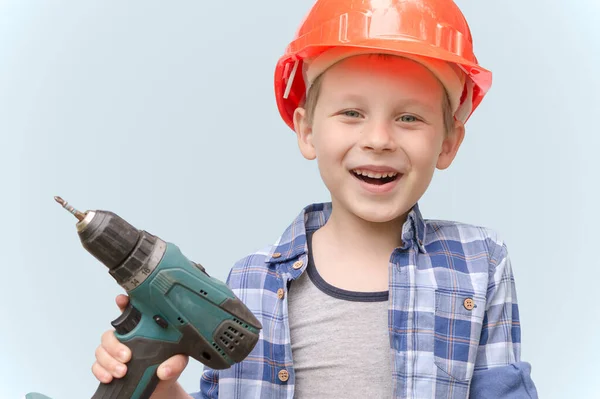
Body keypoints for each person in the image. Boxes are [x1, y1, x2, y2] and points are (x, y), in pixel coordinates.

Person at [91, 0, 538, 397]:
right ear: (307, 131)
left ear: (447, 143)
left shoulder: (479, 264)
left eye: (408, 116)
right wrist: (160, 389)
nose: (378, 139)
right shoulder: (250, 284)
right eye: (351, 113)